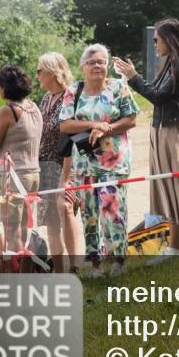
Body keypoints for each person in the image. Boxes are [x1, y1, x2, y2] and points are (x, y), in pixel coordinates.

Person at [115, 18, 179, 262]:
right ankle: (174, 245)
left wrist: (134, 77)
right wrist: (134, 77)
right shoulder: (172, 64)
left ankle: (176, 247)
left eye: (157, 39)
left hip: (173, 132)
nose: (155, 44)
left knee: (174, 187)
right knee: (166, 187)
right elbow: (156, 92)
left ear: (169, 39)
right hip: (164, 130)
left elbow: (156, 96)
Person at [60, 44, 140, 277]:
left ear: (107, 65)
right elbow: (65, 125)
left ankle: (118, 261)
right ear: (82, 66)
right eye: (92, 62)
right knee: (90, 213)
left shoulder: (118, 87)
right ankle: (95, 264)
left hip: (114, 161)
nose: (97, 66)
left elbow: (132, 118)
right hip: (85, 162)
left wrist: (107, 129)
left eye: (101, 62)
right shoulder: (73, 91)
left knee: (112, 208)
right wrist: (94, 125)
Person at [0, 64, 43, 253]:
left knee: (10, 230)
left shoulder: (7, 111)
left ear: (4, 86)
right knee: (25, 227)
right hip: (33, 173)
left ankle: (14, 273)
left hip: (13, 177)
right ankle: (26, 270)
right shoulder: (32, 107)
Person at [35, 53, 82, 273]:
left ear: (52, 72)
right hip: (44, 166)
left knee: (65, 210)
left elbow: (72, 138)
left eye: (39, 71)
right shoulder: (45, 98)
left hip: (65, 164)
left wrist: (66, 177)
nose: (37, 77)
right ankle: (60, 269)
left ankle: (74, 266)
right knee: (51, 220)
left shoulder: (70, 97)